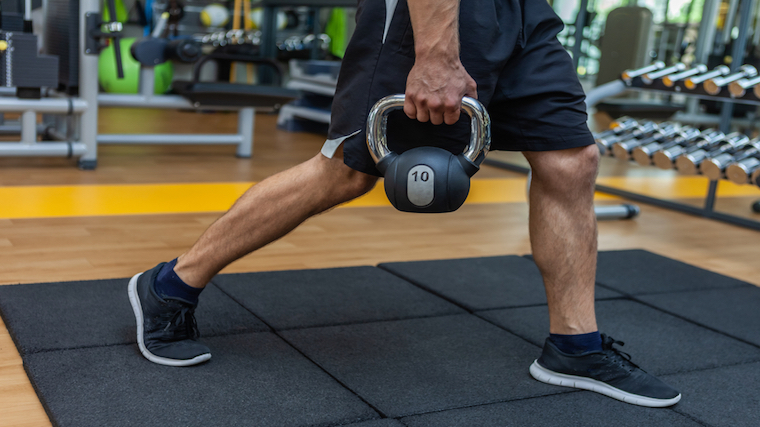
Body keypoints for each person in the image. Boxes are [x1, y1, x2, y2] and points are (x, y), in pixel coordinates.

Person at [127, 0, 681, 407]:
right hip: (438, 14)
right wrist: (435, 51)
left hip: (527, 15)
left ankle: (575, 346)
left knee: (571, 159)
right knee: (347, 169)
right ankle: (171, 284)